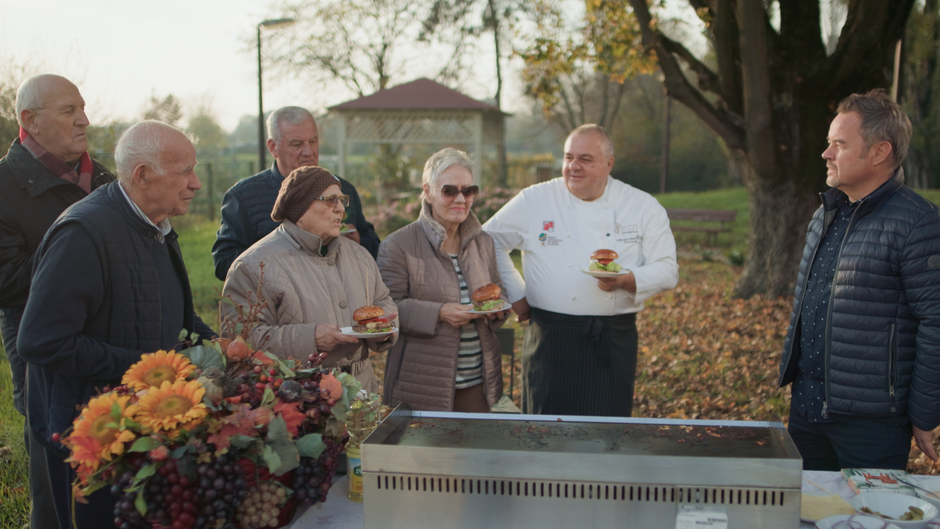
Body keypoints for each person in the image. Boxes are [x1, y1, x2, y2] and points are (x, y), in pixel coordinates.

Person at [18, 120, 217, 528]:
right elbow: (41, 341)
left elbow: (170, 310)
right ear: (143, 175)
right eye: (185, 171)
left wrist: (215, 344)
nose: (196, 184)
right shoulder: (84, 233)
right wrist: (146, 365)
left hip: (140, 426)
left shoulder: (156, 227)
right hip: (91, 435)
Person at [779, 89, 940, 470]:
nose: (826, 153)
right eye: (828, 143)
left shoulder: (919, 223)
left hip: (873, 423)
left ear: (879, 152)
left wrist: (924, 413)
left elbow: (935, 322)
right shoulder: (824, 215)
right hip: (807, 411)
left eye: (840, 144)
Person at [483, 124, 678, 417]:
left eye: (585, 159)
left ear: (609, 163)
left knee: (605, 435)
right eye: (568, 157)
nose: (574, 167)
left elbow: (668, 270)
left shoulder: (641, 206)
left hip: (612, 340)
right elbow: (488, 241)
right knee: (544, 432)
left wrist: (627, 280)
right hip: (549, 340)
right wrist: (516, 293)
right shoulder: (535, 199)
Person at [0, 73, 115, 529]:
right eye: (69, 111)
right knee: (56, 481)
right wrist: (83, 261)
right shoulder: (3, 186)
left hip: (109, 343)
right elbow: (6, 280)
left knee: (113, 466)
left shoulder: (104, 179)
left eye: (83, 108)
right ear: (31, 120)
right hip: (43, 352)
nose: (84, 120)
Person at [221, 166, 396, 393]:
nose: (341, 209)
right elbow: (241, 342)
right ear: (299, 209)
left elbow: (384, 301)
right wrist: (311, 338)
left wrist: (383, 330)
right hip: (298, 400)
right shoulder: (253, 265)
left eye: (342, 200)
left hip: (361, 394)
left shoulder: (359, 254)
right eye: (330, 200)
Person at [377, 148, 509, 412]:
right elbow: (387, 310)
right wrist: (439, 313)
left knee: (475, 453)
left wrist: (497, 310)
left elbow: (497, 295)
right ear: (428, 191)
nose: (461, 198)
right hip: (422, 385)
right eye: (450, 190)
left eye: (468, 190)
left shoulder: (483, 242)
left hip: (479, 383)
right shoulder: (398, 245)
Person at [212, 106, 379, 280]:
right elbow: (223, 263)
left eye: (313, 141)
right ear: (272, 147)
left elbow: (375, 247)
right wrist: (280, 254)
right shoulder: (243, 197)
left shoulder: (344, 189)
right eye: (297, 144)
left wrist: (358, 244)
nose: (308, 152)